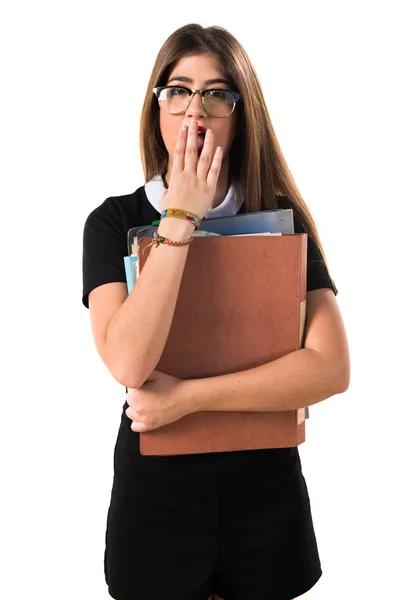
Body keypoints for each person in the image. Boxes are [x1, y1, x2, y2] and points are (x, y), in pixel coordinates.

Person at [82, 22, 350, 600]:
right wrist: (179, 217)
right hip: (156, 507)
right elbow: (129, 360)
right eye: (178, 90)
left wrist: (187, 398)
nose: (194, 111)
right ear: (156, 106)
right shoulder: (110, 222)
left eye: (216, 93)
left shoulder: (279, 220)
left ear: (240, 111)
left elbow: (331, 369)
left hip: (267, 502)